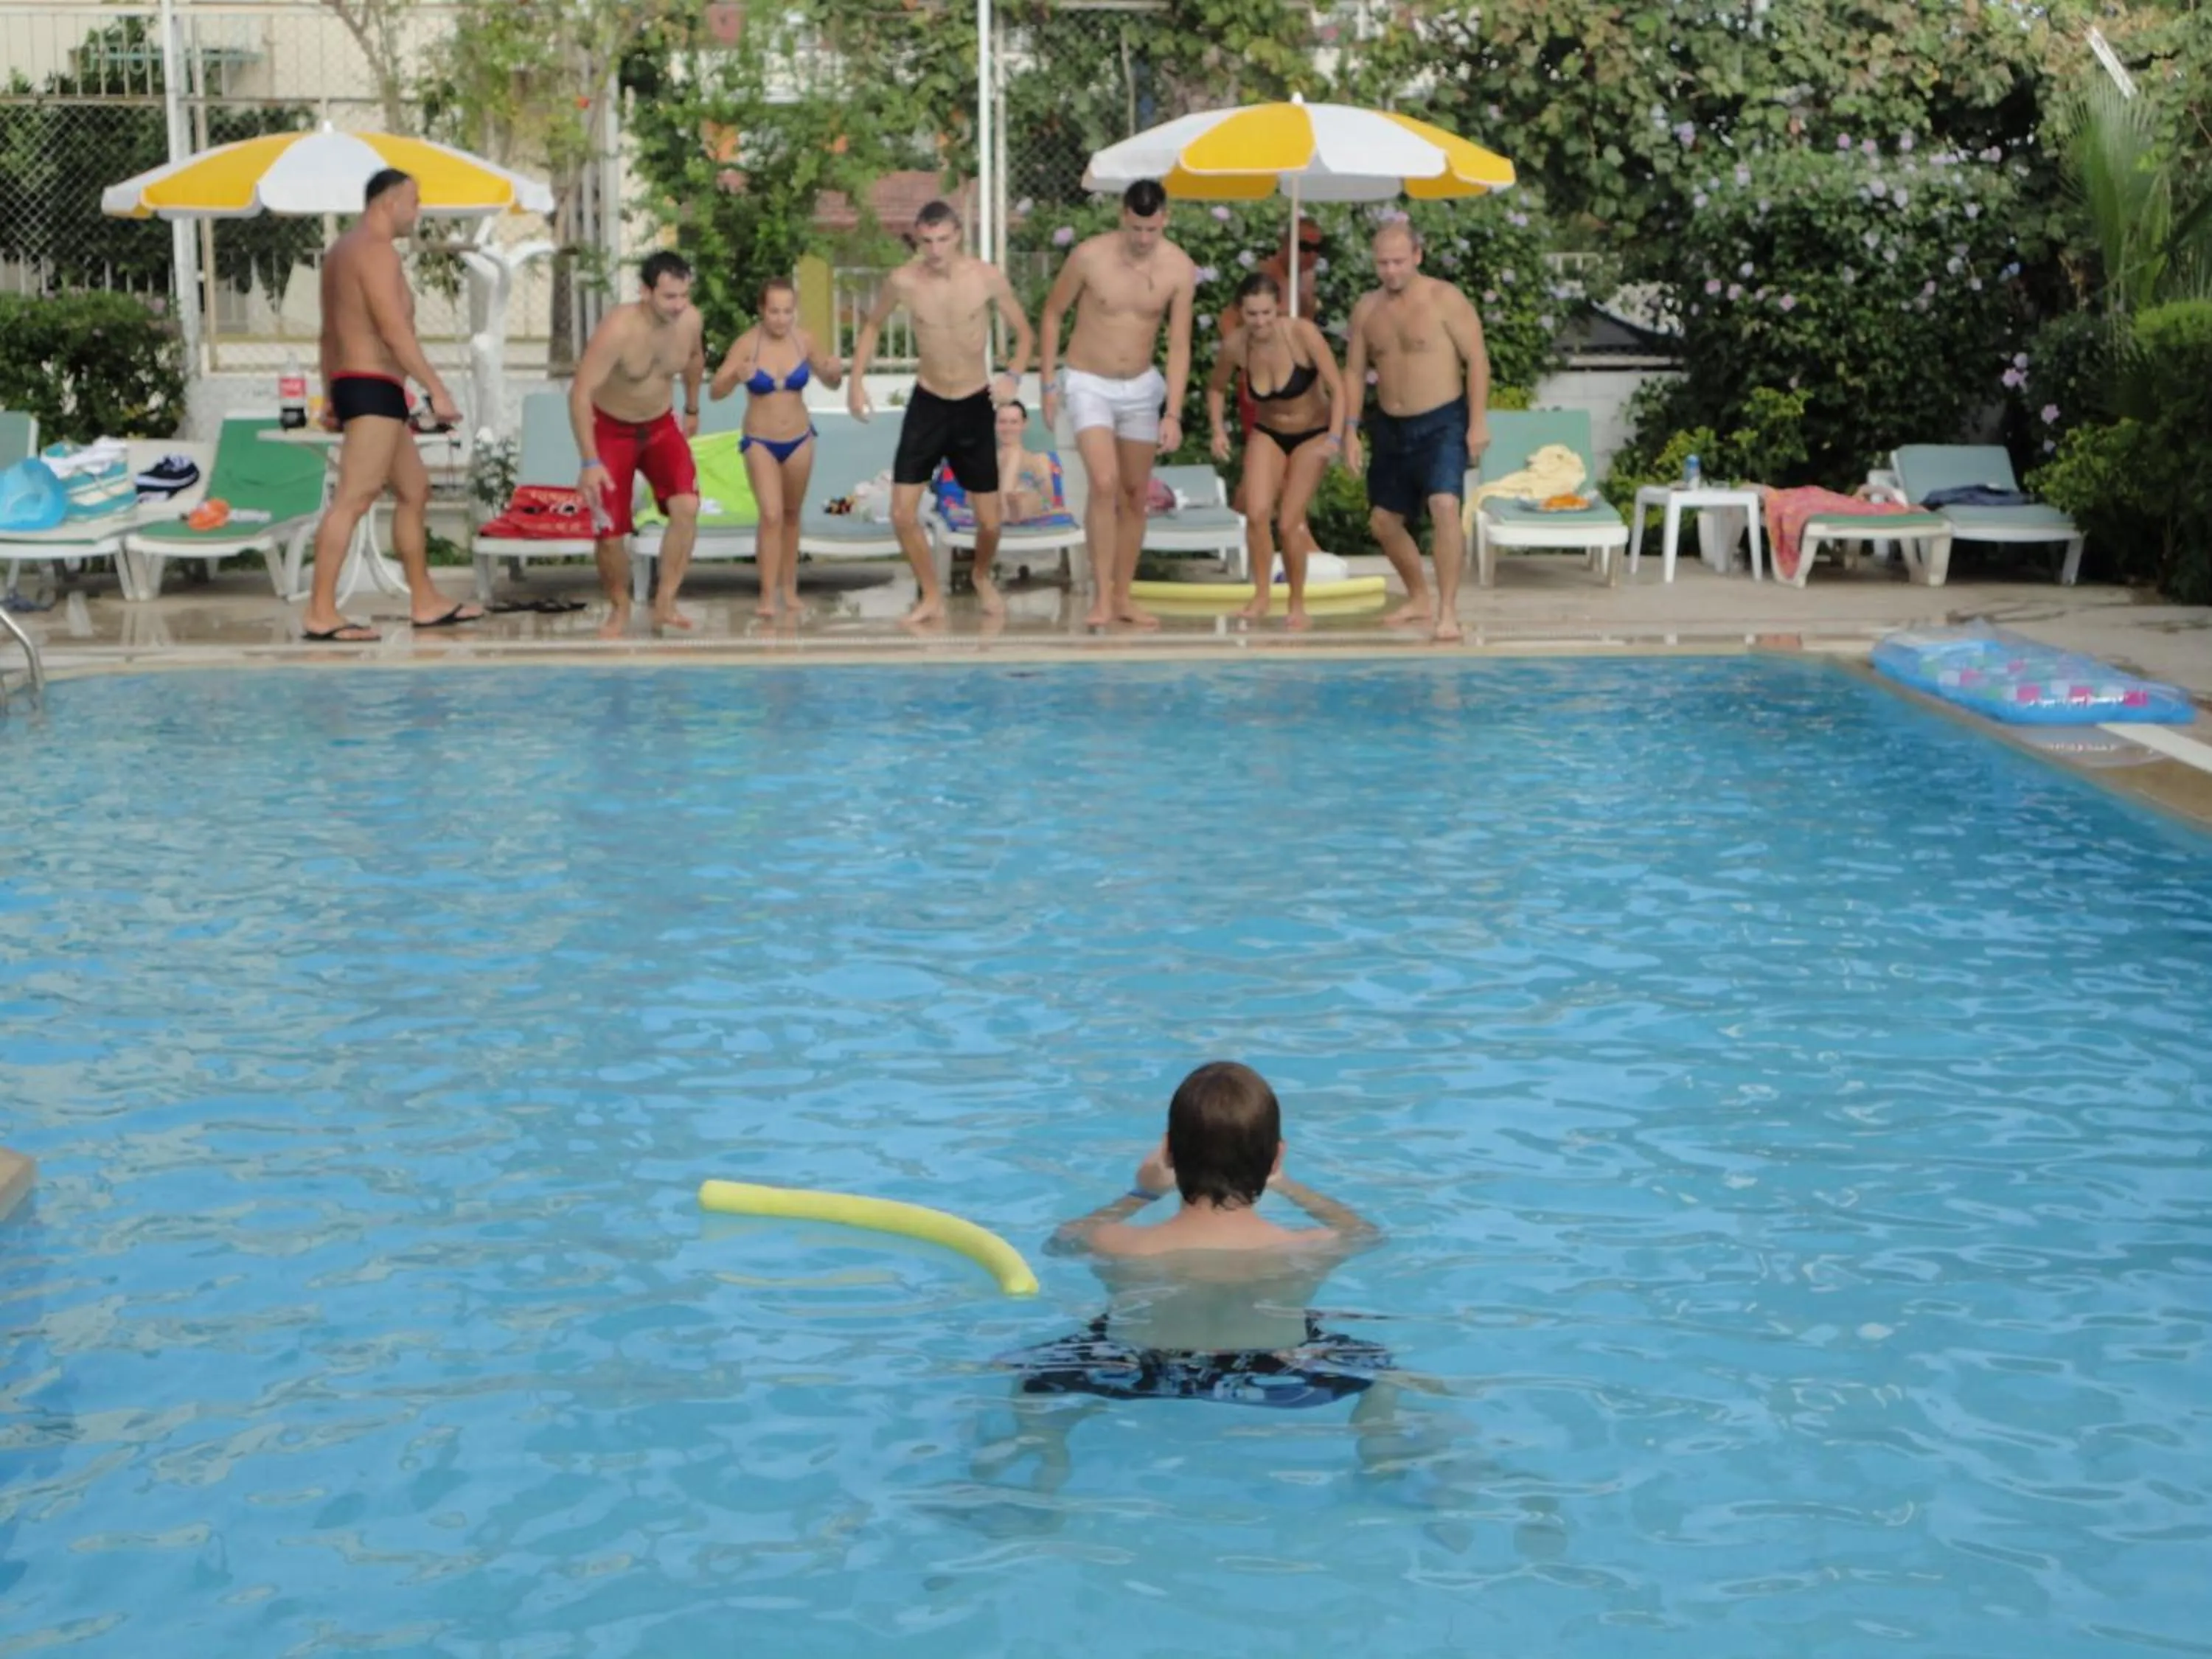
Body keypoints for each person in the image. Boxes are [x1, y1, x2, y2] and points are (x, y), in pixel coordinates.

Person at [1005, 1061, 1393, 1409]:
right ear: (1275, 1158)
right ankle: (1382, 1441)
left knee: (1032, 1376)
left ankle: (1046, 1454)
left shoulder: (1116, 1244)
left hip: (1139, 1369)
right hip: (1274, 1374)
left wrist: (1141, 1194)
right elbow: (1365, 1234)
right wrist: (1289, 1185)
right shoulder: (1309, 1248)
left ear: (1169, 1154)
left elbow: (1061, 1241)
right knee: (1382, 1373)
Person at [302, 168, 482, 643]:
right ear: (389, 202)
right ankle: (321, 612)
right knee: (354, 499)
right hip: (374, 386)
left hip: (355, 384)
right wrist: (436, 390)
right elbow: (392, 329)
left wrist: (330, 397)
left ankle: (424, 601)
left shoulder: (341, 251)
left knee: (414, 490)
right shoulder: (377, 253)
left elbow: (329, 332)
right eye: (415, 202)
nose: (417, 213)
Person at [847, 201, 1035, 625]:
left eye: (943, 240)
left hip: (974, 403)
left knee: (989, 522)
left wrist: (1014, 377)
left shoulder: (985, 278)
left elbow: (1025, 333)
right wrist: (855, 382)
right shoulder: (903, 281)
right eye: (927, 241)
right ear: (918, 239)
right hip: (929, 402)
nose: (935, 250)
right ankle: (931, 594)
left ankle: (982, 576)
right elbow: (873, 325)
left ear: (957, 238)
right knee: (901, 513)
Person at [1038, 180, 1197, 630]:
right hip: (1089, 380)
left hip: (1142, 387)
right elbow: (1053, 314)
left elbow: (1180, 344)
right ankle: (1102, 596)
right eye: (1136, 228)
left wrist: (1174, 412)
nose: (1143, 239)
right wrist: (1049, 384)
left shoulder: (1179, 269)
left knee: (1133, 494)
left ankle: (1124, 595)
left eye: (1151, 229)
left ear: (1164, 219)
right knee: (1104, 483)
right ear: (1123, 217)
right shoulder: (1090, 256)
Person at [1342, 219, 1492, 644]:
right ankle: (1419, 597)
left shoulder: (1446, 300)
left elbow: (1477, 359)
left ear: (1417, 257)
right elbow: (1354, 372)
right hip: (1390, 425)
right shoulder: (1367, 309)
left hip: (1442, 420)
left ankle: (1447, 610)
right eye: (1382, 263)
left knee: (1444, 505)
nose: (1390, 271)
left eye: (1398, 262)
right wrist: (1350, 430)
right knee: (1383, 522)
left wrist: (1477, 421)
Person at [570, 250, 706, 639]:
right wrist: (589, 461)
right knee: (610, 531)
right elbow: (580, 393)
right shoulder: (618, 329)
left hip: (661, 426)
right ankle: (620, 607)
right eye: (669, 297)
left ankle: (665, 602)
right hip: (611, 430)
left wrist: (693, 407)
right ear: (645, 291)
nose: (679, 306)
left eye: (684, 295)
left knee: (687, 507)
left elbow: (695, 359)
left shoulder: (690, 321)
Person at [1206, 272, 1346, 629]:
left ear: (1278, 308)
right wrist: (1218, 429)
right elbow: (1216, 388)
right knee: (1255, 513)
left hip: (1312, 433)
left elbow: (1338, 387)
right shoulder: (1237, 345)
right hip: (1268, 431)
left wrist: (1336, 435)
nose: (1261, 322)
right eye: (1253, 315)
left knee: (1289, 523)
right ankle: (1262, 595)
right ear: (1241, 313)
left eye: (1267, 313)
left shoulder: (1302, 335)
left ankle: (1297, 604)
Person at [709, 276, 845, 621]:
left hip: (799, 438)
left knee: (791, 515)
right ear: (761, 310)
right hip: (760, 440)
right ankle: (767, 595)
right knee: (770, 514)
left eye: (787, 311)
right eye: (774, 311)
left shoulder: (805, 341)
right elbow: (716, 390)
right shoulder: (747, 344)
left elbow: (831, 381)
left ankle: (791, 589)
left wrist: (834, 372)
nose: (781, 319)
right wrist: (736, 376)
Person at [994, 400, 1058, 524]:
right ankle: (1010, 508)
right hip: (996, 502)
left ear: (1025, 424)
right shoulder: (987, 460)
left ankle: (1014, 508)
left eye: (1014, 422)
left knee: (1027, 497)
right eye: (1002, 422)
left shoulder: (1038, 459)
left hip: (1027, 502)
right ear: (995, 425)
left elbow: (1048, 498)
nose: (1008, 428)